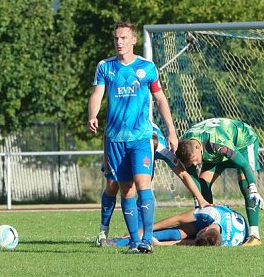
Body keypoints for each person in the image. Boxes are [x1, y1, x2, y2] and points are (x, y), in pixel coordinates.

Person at [88, 21, 179, 254]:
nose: (119, 42)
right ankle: (133, 242)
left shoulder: (147, 67)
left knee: (143, 184)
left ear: (134, 40)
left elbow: (160, 99)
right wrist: (92, 115)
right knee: (125, 189)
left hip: (141, 137)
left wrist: (170, 129)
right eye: (116, 38)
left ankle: (147, 240)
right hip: (115, 139)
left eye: (123, 38)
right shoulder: (105, 67)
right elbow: (97, 94)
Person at [95, 123, 211, 245]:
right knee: (112, 185)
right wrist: (105, 159)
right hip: (124, 144)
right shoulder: (124, 126)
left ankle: (138, 237)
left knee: (142, 189)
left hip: (143, 150)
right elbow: (108, 133)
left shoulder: (164, 148)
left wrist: (201, 199)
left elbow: (183, 174)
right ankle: (103, 230)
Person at [176, 117, 264, 247]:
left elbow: (244, 165)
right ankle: (207, 225)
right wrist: (199, 201)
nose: (195, 164)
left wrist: (253, 188)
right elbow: (193, 177)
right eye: (192, 162)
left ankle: (255, 235)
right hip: (214, 150)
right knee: (203, 182)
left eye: (195, 159)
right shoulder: (186, 145)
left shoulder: (217, 142)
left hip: (243, 143)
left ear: (197, 147)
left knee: (245, 184)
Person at [105, 204, 248, 247]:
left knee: (177, 235)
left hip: (237, 226)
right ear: (204, 229)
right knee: (177, 230)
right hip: (222, 215)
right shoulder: (210, 213)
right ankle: (122, 240)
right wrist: (146, 230)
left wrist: (159, 244)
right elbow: (178, 219)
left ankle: (116, 243)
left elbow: (188, 242)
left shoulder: (222, 243)